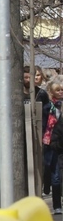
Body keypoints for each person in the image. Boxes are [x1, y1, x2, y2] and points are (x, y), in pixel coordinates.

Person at [45, 76, 63, 213]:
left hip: (58, 141)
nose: (61, 92)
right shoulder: (49, 106)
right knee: (55, 176)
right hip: (51, 142)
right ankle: (57, 205)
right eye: (58, 90)